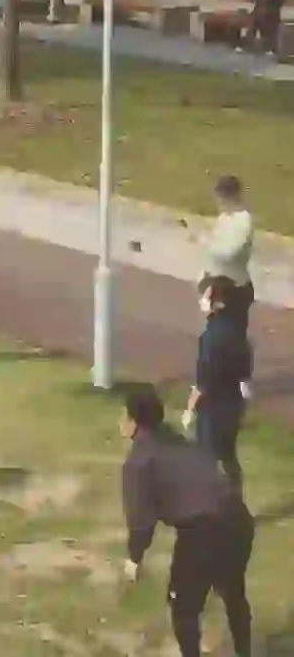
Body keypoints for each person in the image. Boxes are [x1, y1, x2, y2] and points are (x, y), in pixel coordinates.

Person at [119, 384, 254, 657]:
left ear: (132, 422)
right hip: (238, 518)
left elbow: (141, 520)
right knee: (232, 591)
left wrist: (134, 559)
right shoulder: (179, 439)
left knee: (183, 607)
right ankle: (245, 651)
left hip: (205, 530)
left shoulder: (140, 461)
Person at [182, 276, 251, 494]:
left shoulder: (210, 337)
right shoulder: (237, 331)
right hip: (233, 403)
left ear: (217, 301)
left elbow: (203, 381)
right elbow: (244, 373)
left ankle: (210, 506)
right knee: (228, 454)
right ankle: (235, 498)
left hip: (213, 407)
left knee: (206, 458)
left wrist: (189, 409)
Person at [201, 175, 255, 399]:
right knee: (212, 335)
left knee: (236, 336)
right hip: (217, 285)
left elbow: (229, 253)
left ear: (234, 195)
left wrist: (207, 244)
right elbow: (212, 255)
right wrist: (204, 284)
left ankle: (243, 379)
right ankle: (211, 380)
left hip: (237, 287)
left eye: (223, 197)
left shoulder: (244, 220)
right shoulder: (223, 219)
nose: (220, 202)